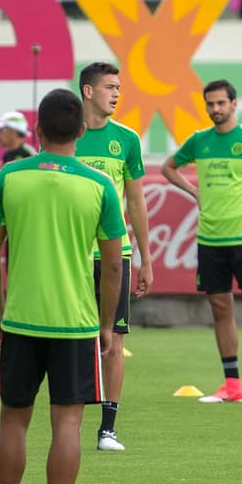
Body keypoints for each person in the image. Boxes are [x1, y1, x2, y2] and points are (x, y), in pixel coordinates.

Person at [0, 88, 125, 484]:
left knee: (13, 422)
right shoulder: (99, 186)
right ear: (81, 131)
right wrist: (106, 325)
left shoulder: (9, 176)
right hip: (76, 325)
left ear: (36, 131)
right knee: (67, 425)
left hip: (21, 319)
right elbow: (115, 265)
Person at [161, 79, 242, 405]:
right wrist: (193, 191)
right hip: (209, 240)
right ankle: (232, 385)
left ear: (234, 104)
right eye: (210, 104)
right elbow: (169, 168)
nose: (215, 109)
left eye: (221, 103)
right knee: (220, 309)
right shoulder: (199, 141)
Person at [74, 62, 154, 451]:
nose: (117, 93)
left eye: (119, 87)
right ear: (88, 91)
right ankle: (70, 419)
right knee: (72, 341)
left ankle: (108, 428)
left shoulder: (127, 140)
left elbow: (136, 202)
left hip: (114, 255)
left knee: (114, 341)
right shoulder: (64, 138)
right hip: (69, 256)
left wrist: (146, 257)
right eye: (110, 87)